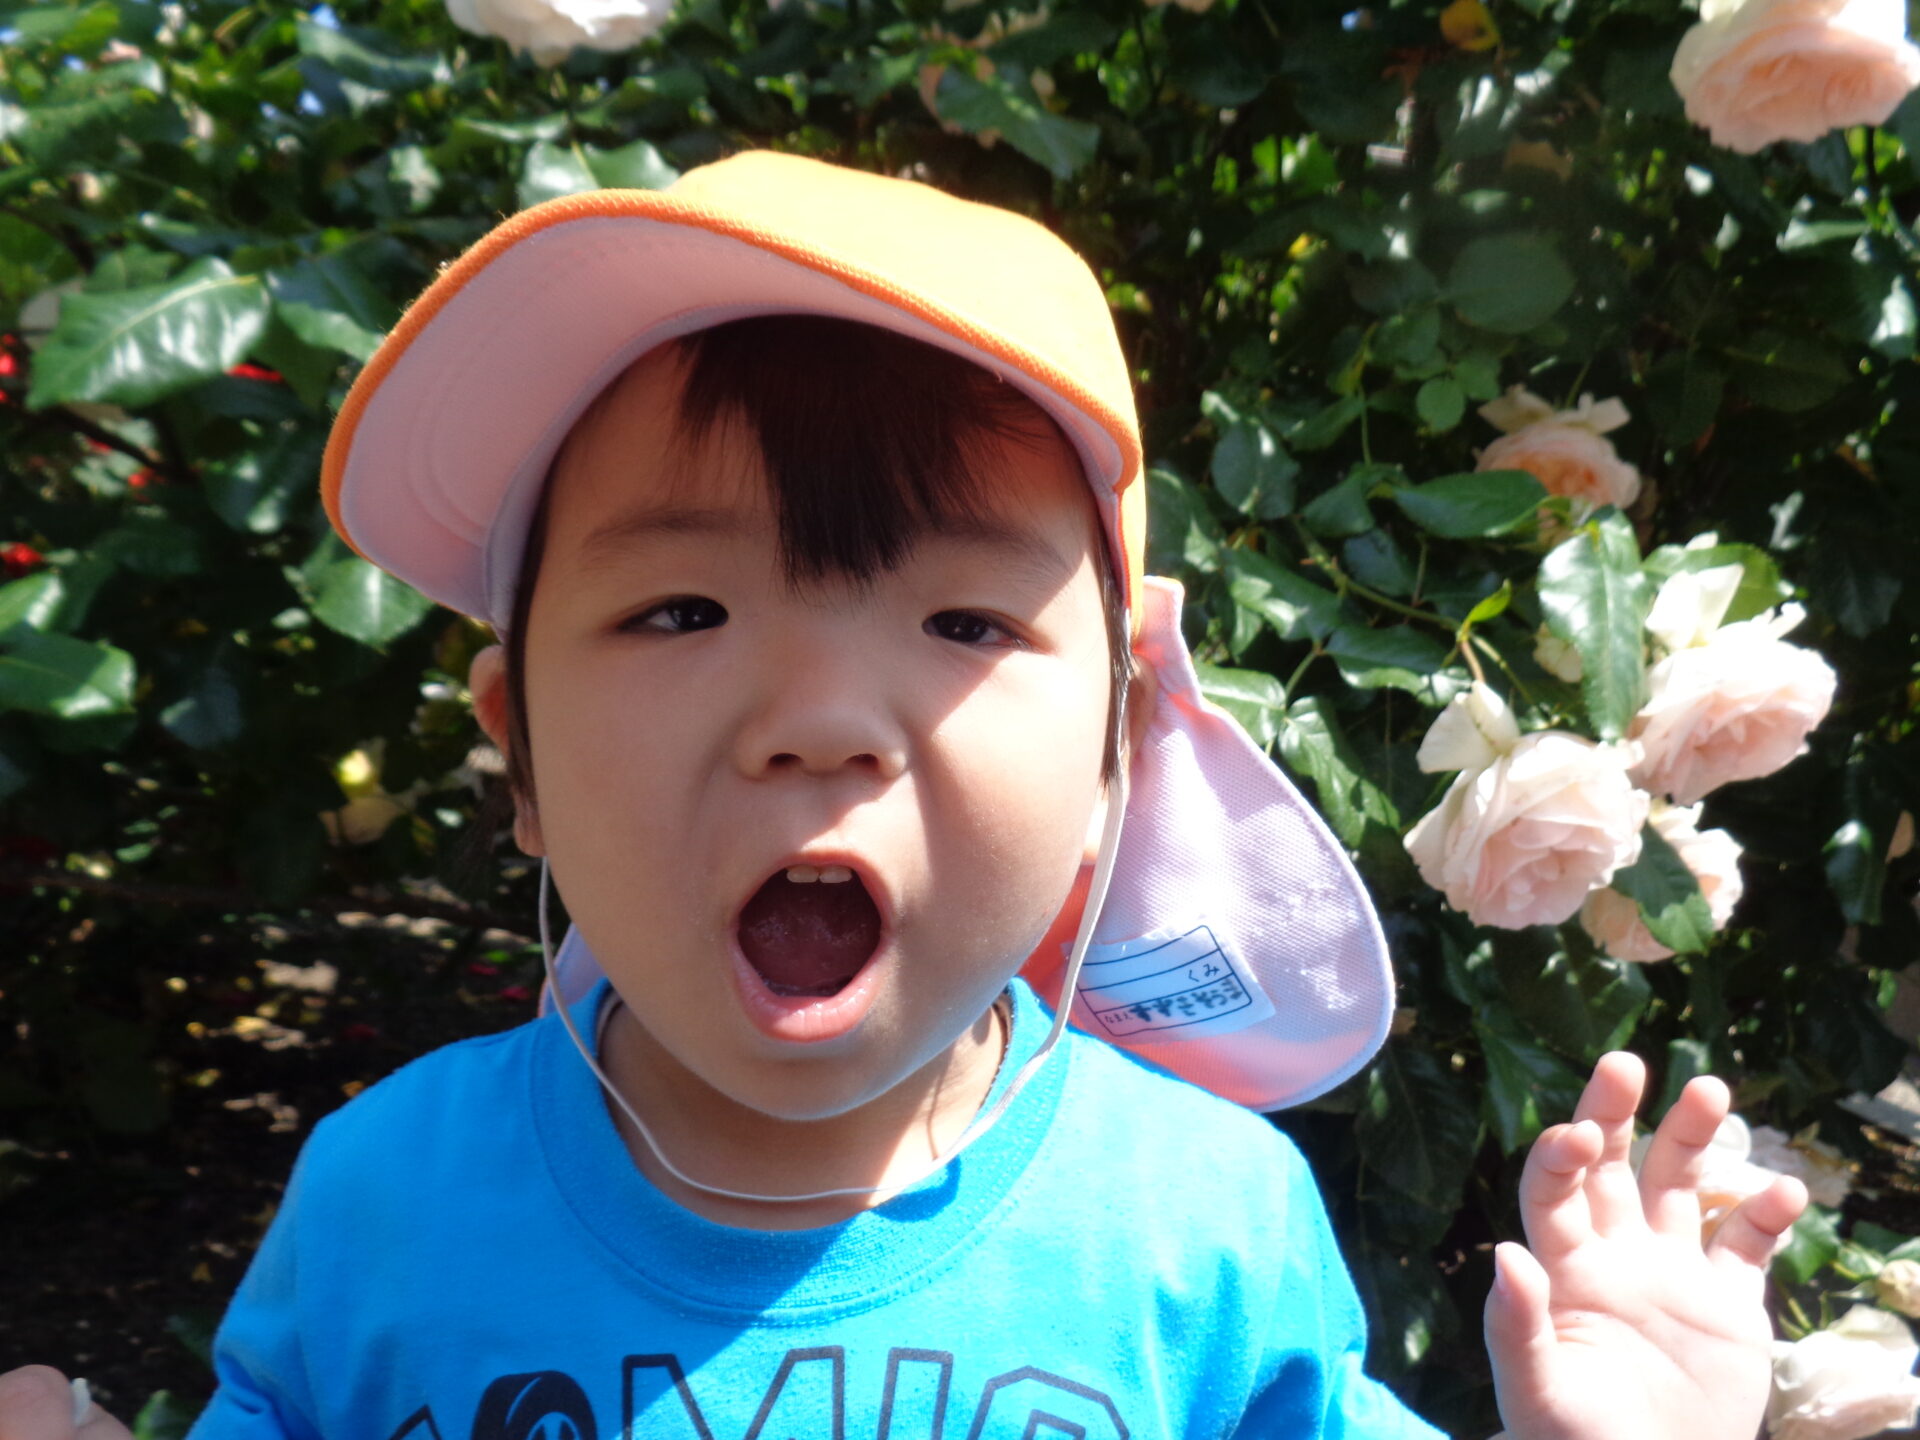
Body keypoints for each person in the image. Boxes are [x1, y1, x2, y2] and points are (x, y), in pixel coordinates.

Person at [0, 152, 1807, 1440]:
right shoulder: (388, 1197)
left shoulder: (1198, 1231)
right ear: (518, 750)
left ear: (1116, 754)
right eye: (681, 609)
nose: (815, 722)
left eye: (961, 622)